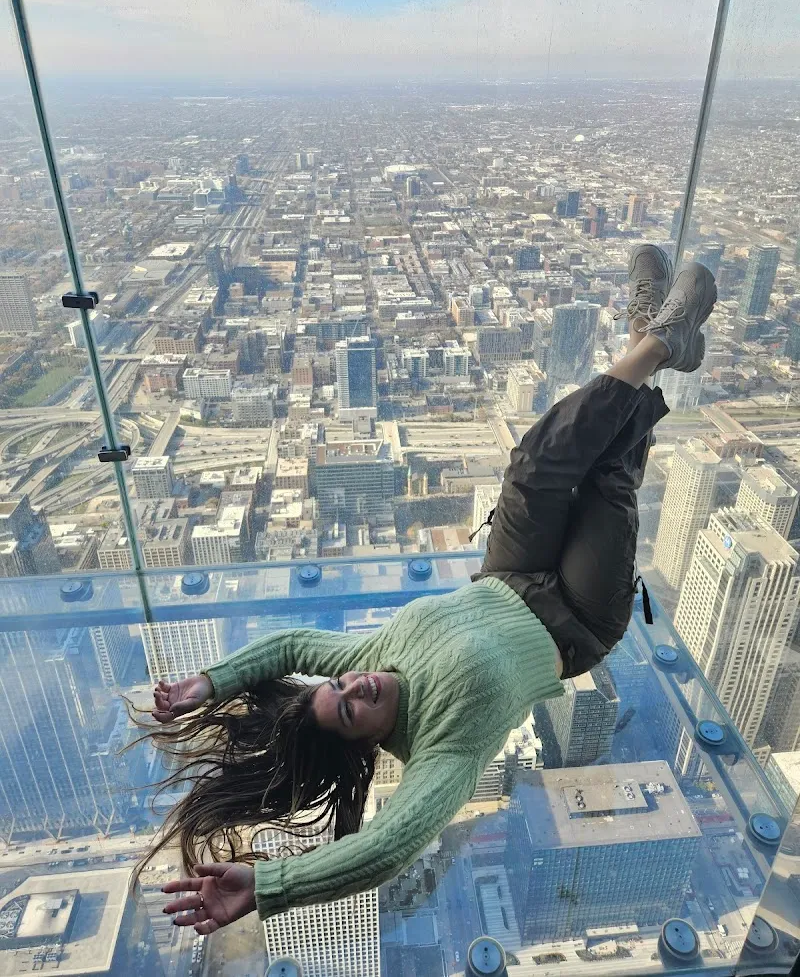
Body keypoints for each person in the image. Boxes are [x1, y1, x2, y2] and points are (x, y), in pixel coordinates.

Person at [150, 246, 717, 936]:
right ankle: (655, 339)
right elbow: (384, 850)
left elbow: (292, 646)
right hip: (575, 621)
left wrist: (212, 681)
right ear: (369, 743)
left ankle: (654, 340)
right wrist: (272, 885)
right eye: (353, 710)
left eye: (339, 686)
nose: (356, 685)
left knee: (534, 464)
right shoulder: (441, 752)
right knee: (607, 480)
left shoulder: (369, 660)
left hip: (509, 573)